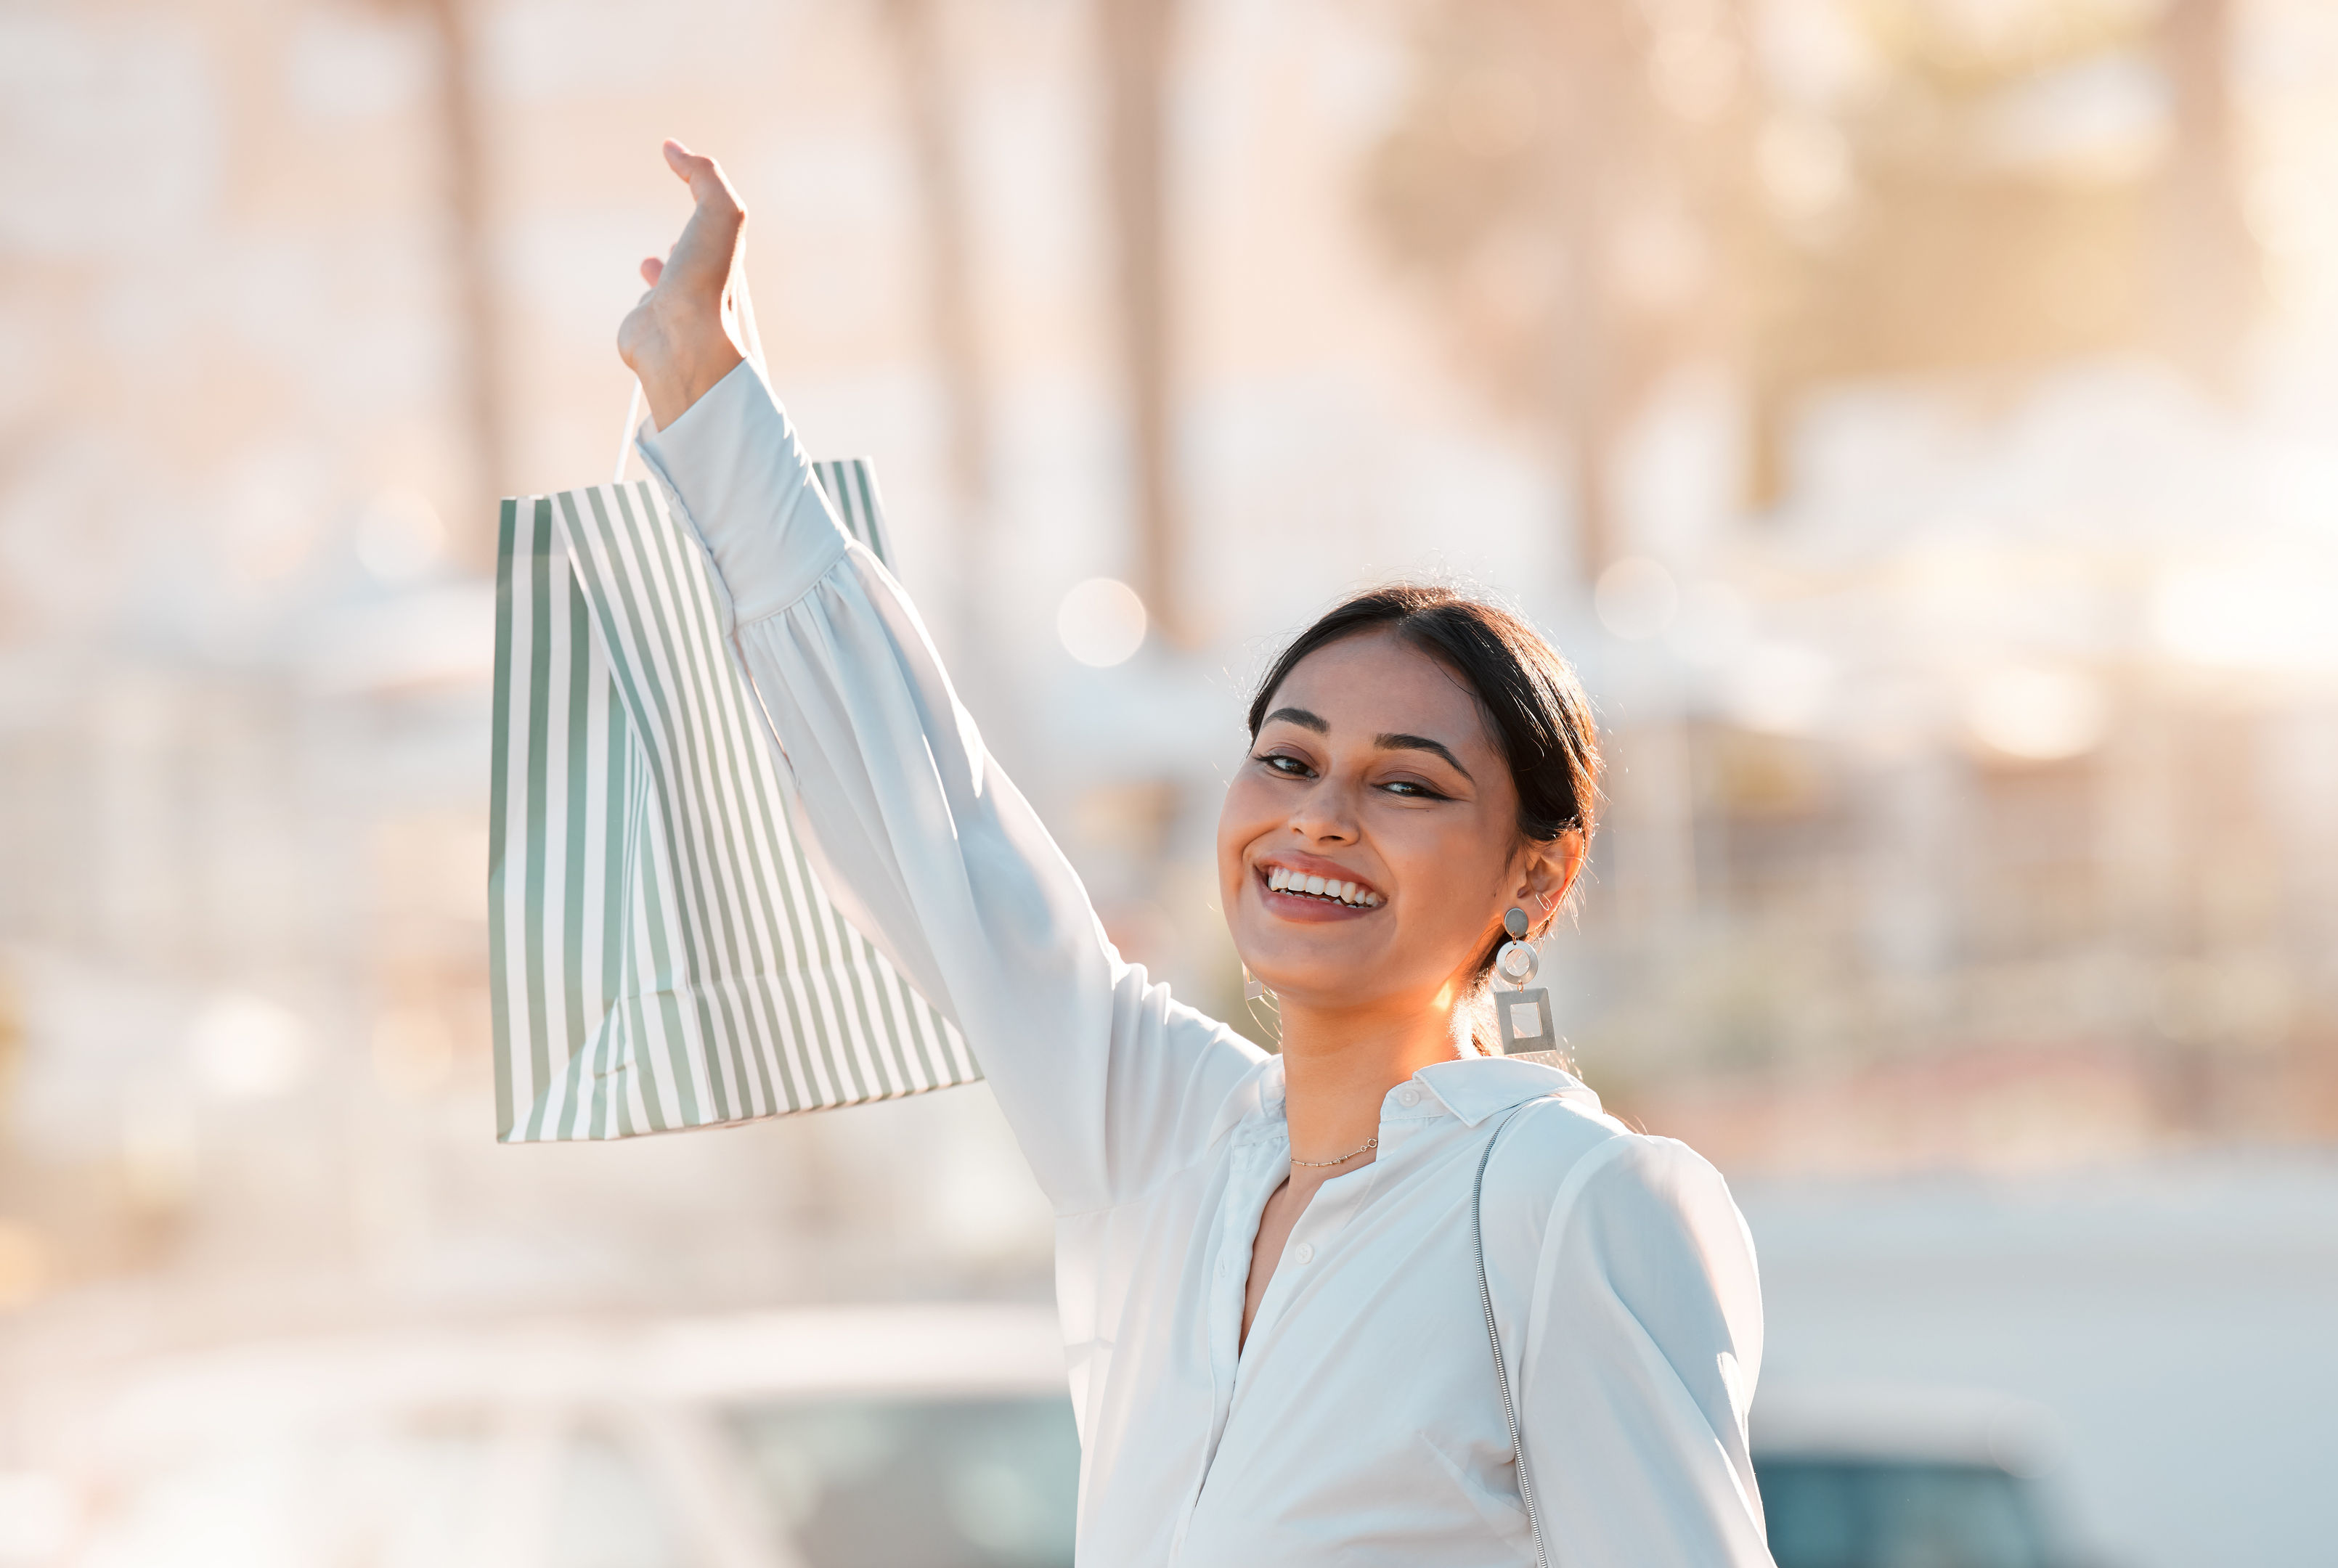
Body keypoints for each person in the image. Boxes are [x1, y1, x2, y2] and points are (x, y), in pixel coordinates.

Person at [616, 139, 1772, 1568]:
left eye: (1406, 785)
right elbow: (937, 827)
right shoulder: (1170, 1148)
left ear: (1537, 873)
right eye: (1285, 758)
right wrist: (711, 403)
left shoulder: (1572, 1204)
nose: (1318, 817)